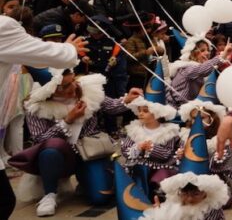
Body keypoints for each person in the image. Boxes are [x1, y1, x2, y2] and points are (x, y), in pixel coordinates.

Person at [11, 69, 143, 216]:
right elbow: (41, 140)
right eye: (65, 85)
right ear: (50, 90)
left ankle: (86, 180)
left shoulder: (86, 89)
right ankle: (50, 194)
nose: (73, 87)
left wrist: (128, 99)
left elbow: (111, 106)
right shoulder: (36, 106)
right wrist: (67, 121)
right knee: (51, 147)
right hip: (61, 157)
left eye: (73, 81)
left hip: (92, 152)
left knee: (100, 197)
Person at [0, 16, 86, 219]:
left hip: (80, 158)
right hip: (53, 155)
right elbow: (53, 57)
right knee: (3, 201)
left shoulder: (87, 94)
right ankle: (50, 194)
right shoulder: (3, 27)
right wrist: (69, 49)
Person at [119, 98, 181, 192]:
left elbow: (167, 154)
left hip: (160, 166)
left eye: (145, 111)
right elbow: (125, 150)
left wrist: (152, 148)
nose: (140, 113)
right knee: (139, 171)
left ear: (157, 113)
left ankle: (155, 193)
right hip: (138, 167)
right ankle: (140, 194)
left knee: (161, 180)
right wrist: (138, 148)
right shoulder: (134, 129)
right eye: (139, 111)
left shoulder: (169, 131)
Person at [168, 35, 232, 108]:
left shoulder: (196, 67)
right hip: (175, 108)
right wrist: (223, 54)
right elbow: (203, 69)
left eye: (208, 50)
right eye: (202, 50)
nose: (207, 53)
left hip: (188, 107)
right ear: (193, 53)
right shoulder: (188, 68)